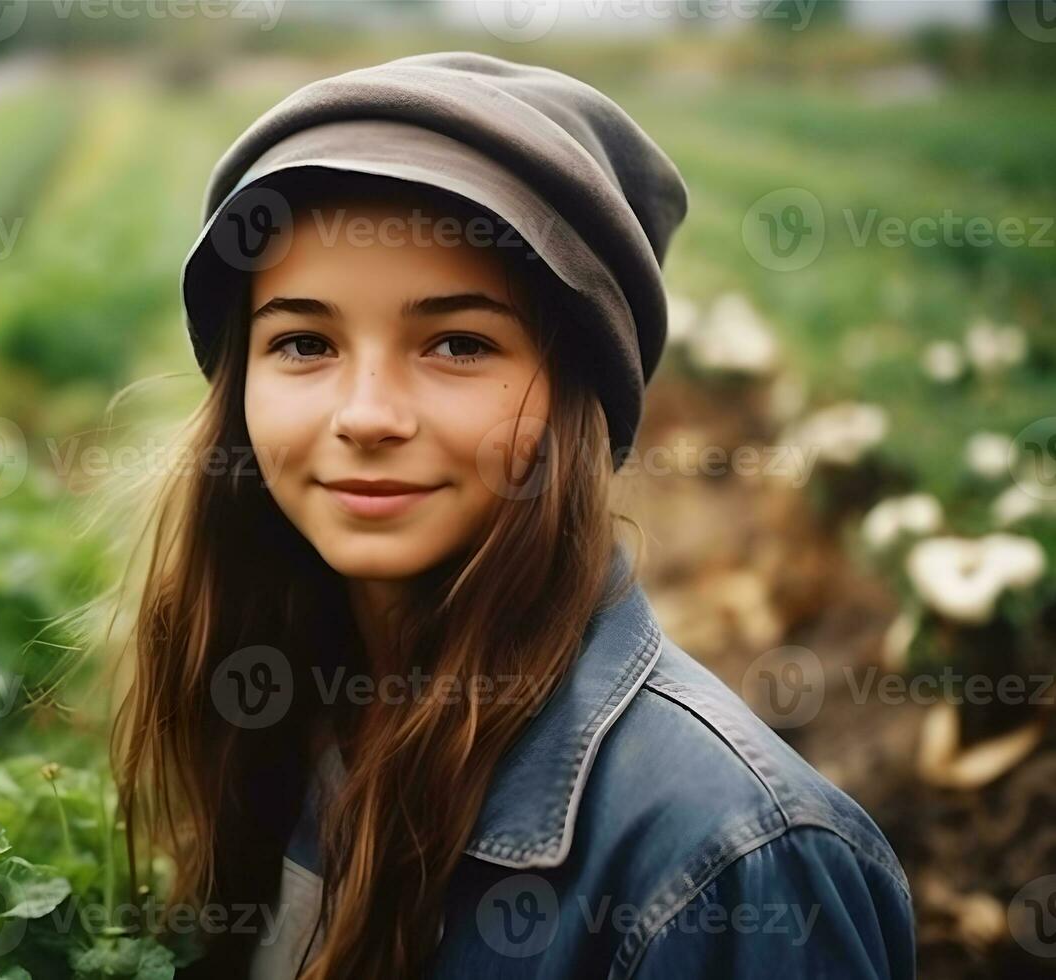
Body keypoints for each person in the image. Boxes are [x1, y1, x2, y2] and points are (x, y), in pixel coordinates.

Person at [89, 52, 916, 979]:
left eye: (456, 343)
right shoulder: (276, 718)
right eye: (304, 341)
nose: (366, 415)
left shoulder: (735, 861)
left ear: (574, 395)